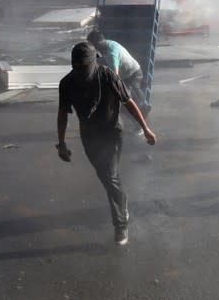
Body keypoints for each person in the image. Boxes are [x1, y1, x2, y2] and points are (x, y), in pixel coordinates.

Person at [57, 42, 156, 245]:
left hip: (112, 134)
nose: (81, 71)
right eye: (77, 66)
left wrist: (145, 128)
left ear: (94, 61)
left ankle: (121, 224)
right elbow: (62, 114)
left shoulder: (107, 76)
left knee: (110, 176)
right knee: (105, 176)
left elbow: (128, 102)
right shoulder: (66, 83)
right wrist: (61, 142)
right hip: (88, 137)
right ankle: (121, 199)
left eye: (85, 66)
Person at [87, 29, 150, 116]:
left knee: (129, 97)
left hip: (134, 74)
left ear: (98, 44)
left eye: (93, 46)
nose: (92, 48)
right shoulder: (107, 43)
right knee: (125, 98)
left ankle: (144, 109)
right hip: (125, 74)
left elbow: (115, 76)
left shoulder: (112, 54)